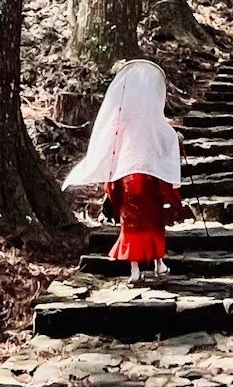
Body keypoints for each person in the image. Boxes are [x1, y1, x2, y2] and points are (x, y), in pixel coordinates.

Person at [63, 59, 187, 281]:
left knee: (130, 224)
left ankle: (135, 270)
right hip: (150, 176)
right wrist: (176, 138)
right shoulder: (151, 116)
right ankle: (158, 263)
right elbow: (165, 136)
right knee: (154, 221)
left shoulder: (121, 118)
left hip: (125, 176)